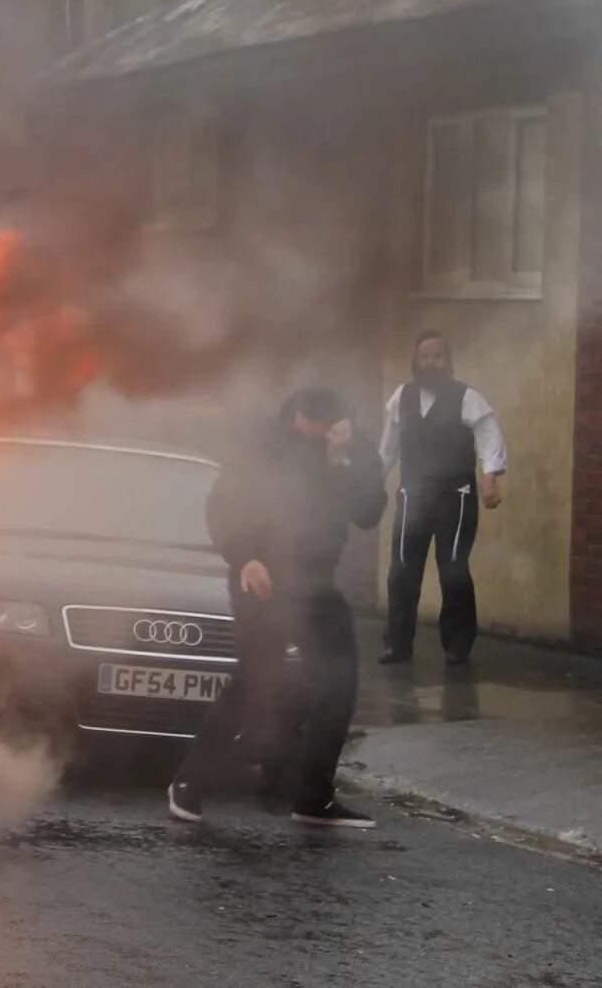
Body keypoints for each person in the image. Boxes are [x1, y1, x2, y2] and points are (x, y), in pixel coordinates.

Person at [167, 387, 387, 829]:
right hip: (261, 575)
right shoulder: (263, 445)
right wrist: (245, 557)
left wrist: (342, 458)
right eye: (313, 420)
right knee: (256, 679)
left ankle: (314, 798)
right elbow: (224, 504)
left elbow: (368, 512)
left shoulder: (348, 447)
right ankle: (188, 782)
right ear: (296, 415)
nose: (319, 428)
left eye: (330, 422)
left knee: (337, 684)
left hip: (317, 584)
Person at [378, 330, 507, 666]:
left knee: (453, 569)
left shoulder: (467, 397)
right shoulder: (401, 397)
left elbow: (489, 436)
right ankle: (397, 644)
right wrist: (373, 479)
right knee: (402, 570)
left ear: (448, 362)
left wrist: (490, 477)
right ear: (416, 360)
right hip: (412, 494)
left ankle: (458, 645)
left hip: (457, 497)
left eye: (438, 356)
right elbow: (388, 447)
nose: (431, 362)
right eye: (425, 356)